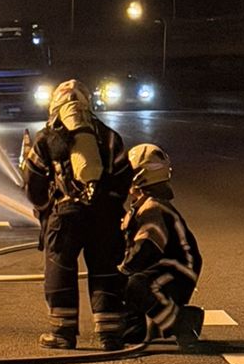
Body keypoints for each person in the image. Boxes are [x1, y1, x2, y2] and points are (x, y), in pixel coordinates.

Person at [19, 78, 133, 349]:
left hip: (65, 215)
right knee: (105, 270)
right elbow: (123, 175)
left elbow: (33, 182)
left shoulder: (46, 137)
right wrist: (109, 203)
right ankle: (110, 335)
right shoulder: (108, 136)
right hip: (104, 215)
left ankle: (62, 333)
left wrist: (46, 209)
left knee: (60, 269)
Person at [118, 142, 204, 348]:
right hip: (165, 269)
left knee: (136, 283)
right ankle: (135, 328)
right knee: (131, 284)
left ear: (138, 177)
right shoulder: (143, 206)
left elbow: (145, 248)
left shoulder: (153, 209)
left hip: (178, 271)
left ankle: (182, 323)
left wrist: (122, 270)